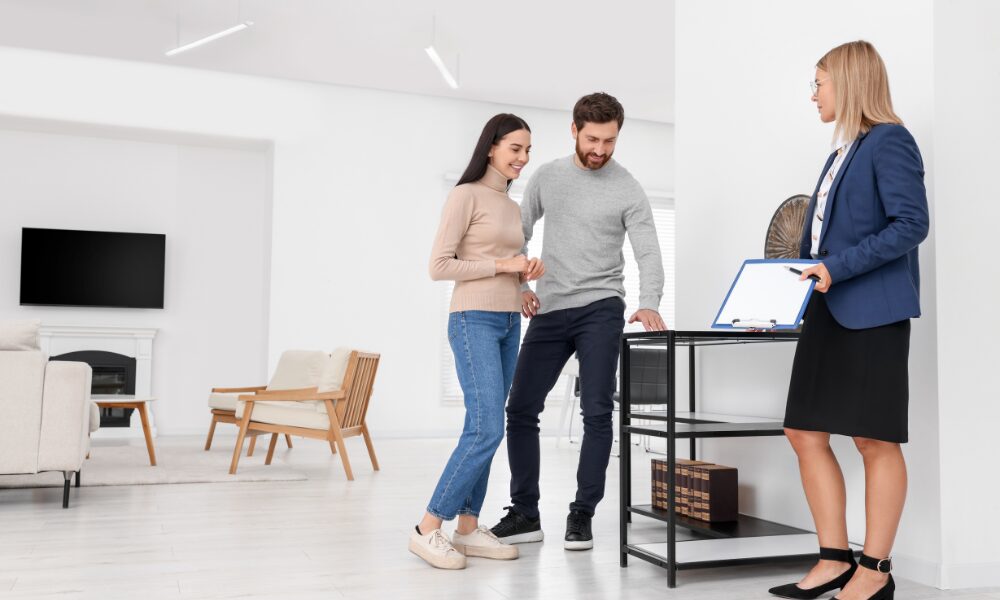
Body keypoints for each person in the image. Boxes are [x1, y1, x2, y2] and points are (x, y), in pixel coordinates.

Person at [768, 41, 929, 600]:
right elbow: (820, 239)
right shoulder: (840, 152)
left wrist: (836, 268)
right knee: (804, 430)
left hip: (872, 313)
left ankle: (876, 570)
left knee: (873, 439)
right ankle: (834, 559)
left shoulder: (891, 141)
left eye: (819, 83)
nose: (813, 94)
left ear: (850, 82)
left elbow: (911, 224)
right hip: (826, 311)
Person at [490, 92, 666, 551]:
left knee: (596, 411)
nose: (600, 150)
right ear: (574, 130)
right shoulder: (548, 177)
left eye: (609, 141)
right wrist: (523, 288)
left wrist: (649, 301)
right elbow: (517, 236)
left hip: (601, 307)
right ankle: (526, 512)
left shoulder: (627, 186)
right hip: (550, 307)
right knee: (521, 408)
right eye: (592, 138)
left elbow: (648, 248)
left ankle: (581, 513)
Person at [410, 113, 545, 570]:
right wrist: (506, 268)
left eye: (528, 150)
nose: (523, 158)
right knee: (486, 427)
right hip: (472, 319)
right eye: (515, 149)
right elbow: (439, 266)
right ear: (491, 147)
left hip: (509, 322)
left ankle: (467, 528)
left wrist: (525, 286)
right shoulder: (464, 195)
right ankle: (429, 527)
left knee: (489, 426)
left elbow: (505, 261)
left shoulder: (510, 204)